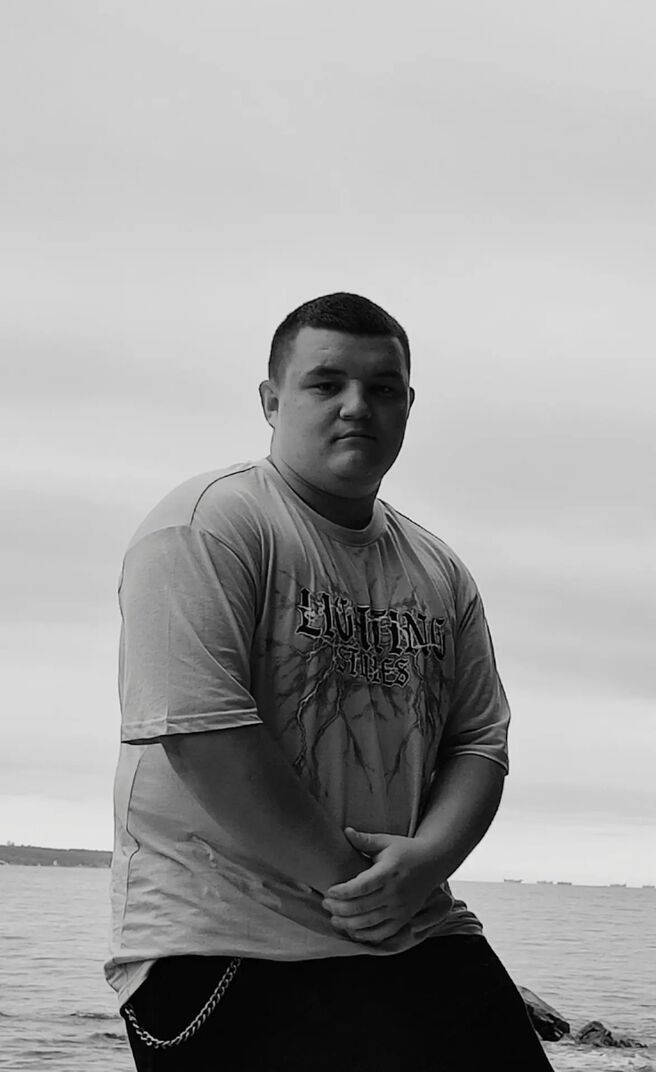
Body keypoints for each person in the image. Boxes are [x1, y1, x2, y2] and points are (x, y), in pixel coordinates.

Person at [106, 292, 553, 1071]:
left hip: (416, 926)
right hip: (228, 939)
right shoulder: (208, 526)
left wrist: (427, 863)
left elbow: (480, 742)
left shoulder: (439, 569)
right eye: (326, 383)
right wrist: (364, 891)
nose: (357, 406)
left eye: (382, 388)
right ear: (271, 401)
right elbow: (203, 737)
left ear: (408, 406)